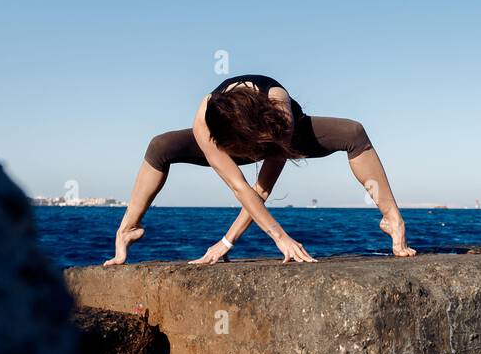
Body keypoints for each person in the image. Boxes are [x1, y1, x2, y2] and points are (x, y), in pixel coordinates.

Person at [104, 74, 415, 265]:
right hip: (233, 139)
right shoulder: (205, 120)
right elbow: (240, 187)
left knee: (353, 132)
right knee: (160, 145)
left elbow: (261, 187)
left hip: (279, 136)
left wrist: (231, 241)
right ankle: (126, 229)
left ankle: (392, 218)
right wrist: (272, 238)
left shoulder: (280, 110)